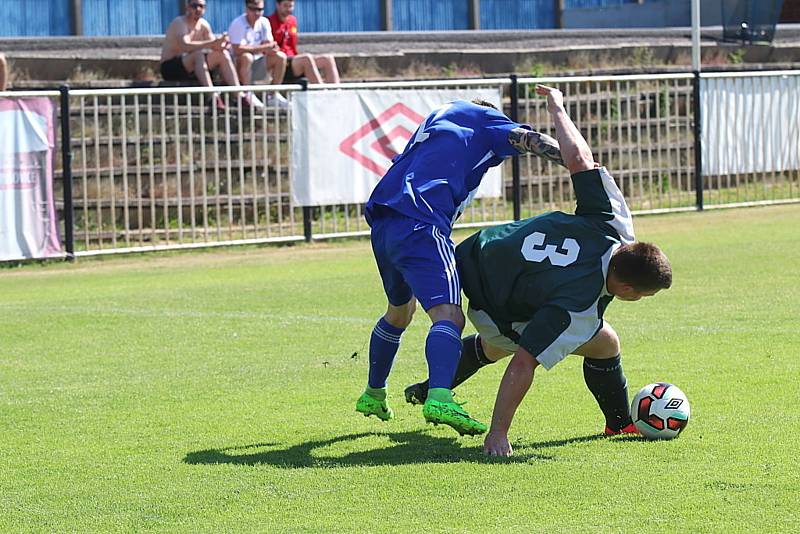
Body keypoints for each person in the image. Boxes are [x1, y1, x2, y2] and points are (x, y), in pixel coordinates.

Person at [403, 85, 673, 456]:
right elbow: (524, 364)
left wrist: (558, 108)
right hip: (488, 299)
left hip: (474, 250)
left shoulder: (614, 223)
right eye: (643, 294)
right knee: (523, 344)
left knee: (555, 340)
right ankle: (618, 423)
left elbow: (579, 158)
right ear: (626, 288)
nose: (640, 299)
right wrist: (498, 433)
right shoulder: (578, 307)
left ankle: (434, 384)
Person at [355, 97, 567, 437]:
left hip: (384, 222)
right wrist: (581, 163)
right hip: (422, 224)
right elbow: (531, 141)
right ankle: (440, 395)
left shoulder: (438, 121)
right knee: (449, 316)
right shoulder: (486, 120)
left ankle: (373, 393)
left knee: (399, 312)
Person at [161, 0, 241, 109]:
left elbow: (214, 46)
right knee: (198, 55)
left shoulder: (204, 25)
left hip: (192, 66)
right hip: (171, 67)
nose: (198, 9)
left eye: (201, 6)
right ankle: (213, 96)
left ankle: (239, 95)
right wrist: (211, 43)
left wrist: (222, 43)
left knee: (223, 54)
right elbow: (185, 45)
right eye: (194, 6)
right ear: (188, 7)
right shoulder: (179, 23)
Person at [228, 0, 289, 109]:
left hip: (258, 64)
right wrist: (263, 48)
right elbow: (237, 50)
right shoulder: (238, 23)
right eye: (253, 9)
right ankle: (247, 93)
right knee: (247, 57)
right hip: (239, 67)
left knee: (280, 57)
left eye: (260, 10)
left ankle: (273, 95)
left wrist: (272, 49)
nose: (257, 13)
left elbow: (268, 44)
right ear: (246, 9)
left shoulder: (264, 22)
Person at [267, 0, 340, 84]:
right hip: (282, 63)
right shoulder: (269, 22)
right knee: (306, 58)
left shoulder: (292, 21)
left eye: (290, 6)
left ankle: (337, 93)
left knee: (327, 59)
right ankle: (321, 92)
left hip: (294, 60)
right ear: (278, 5)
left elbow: (293, 45)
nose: (288, 9)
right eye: (285, 6)